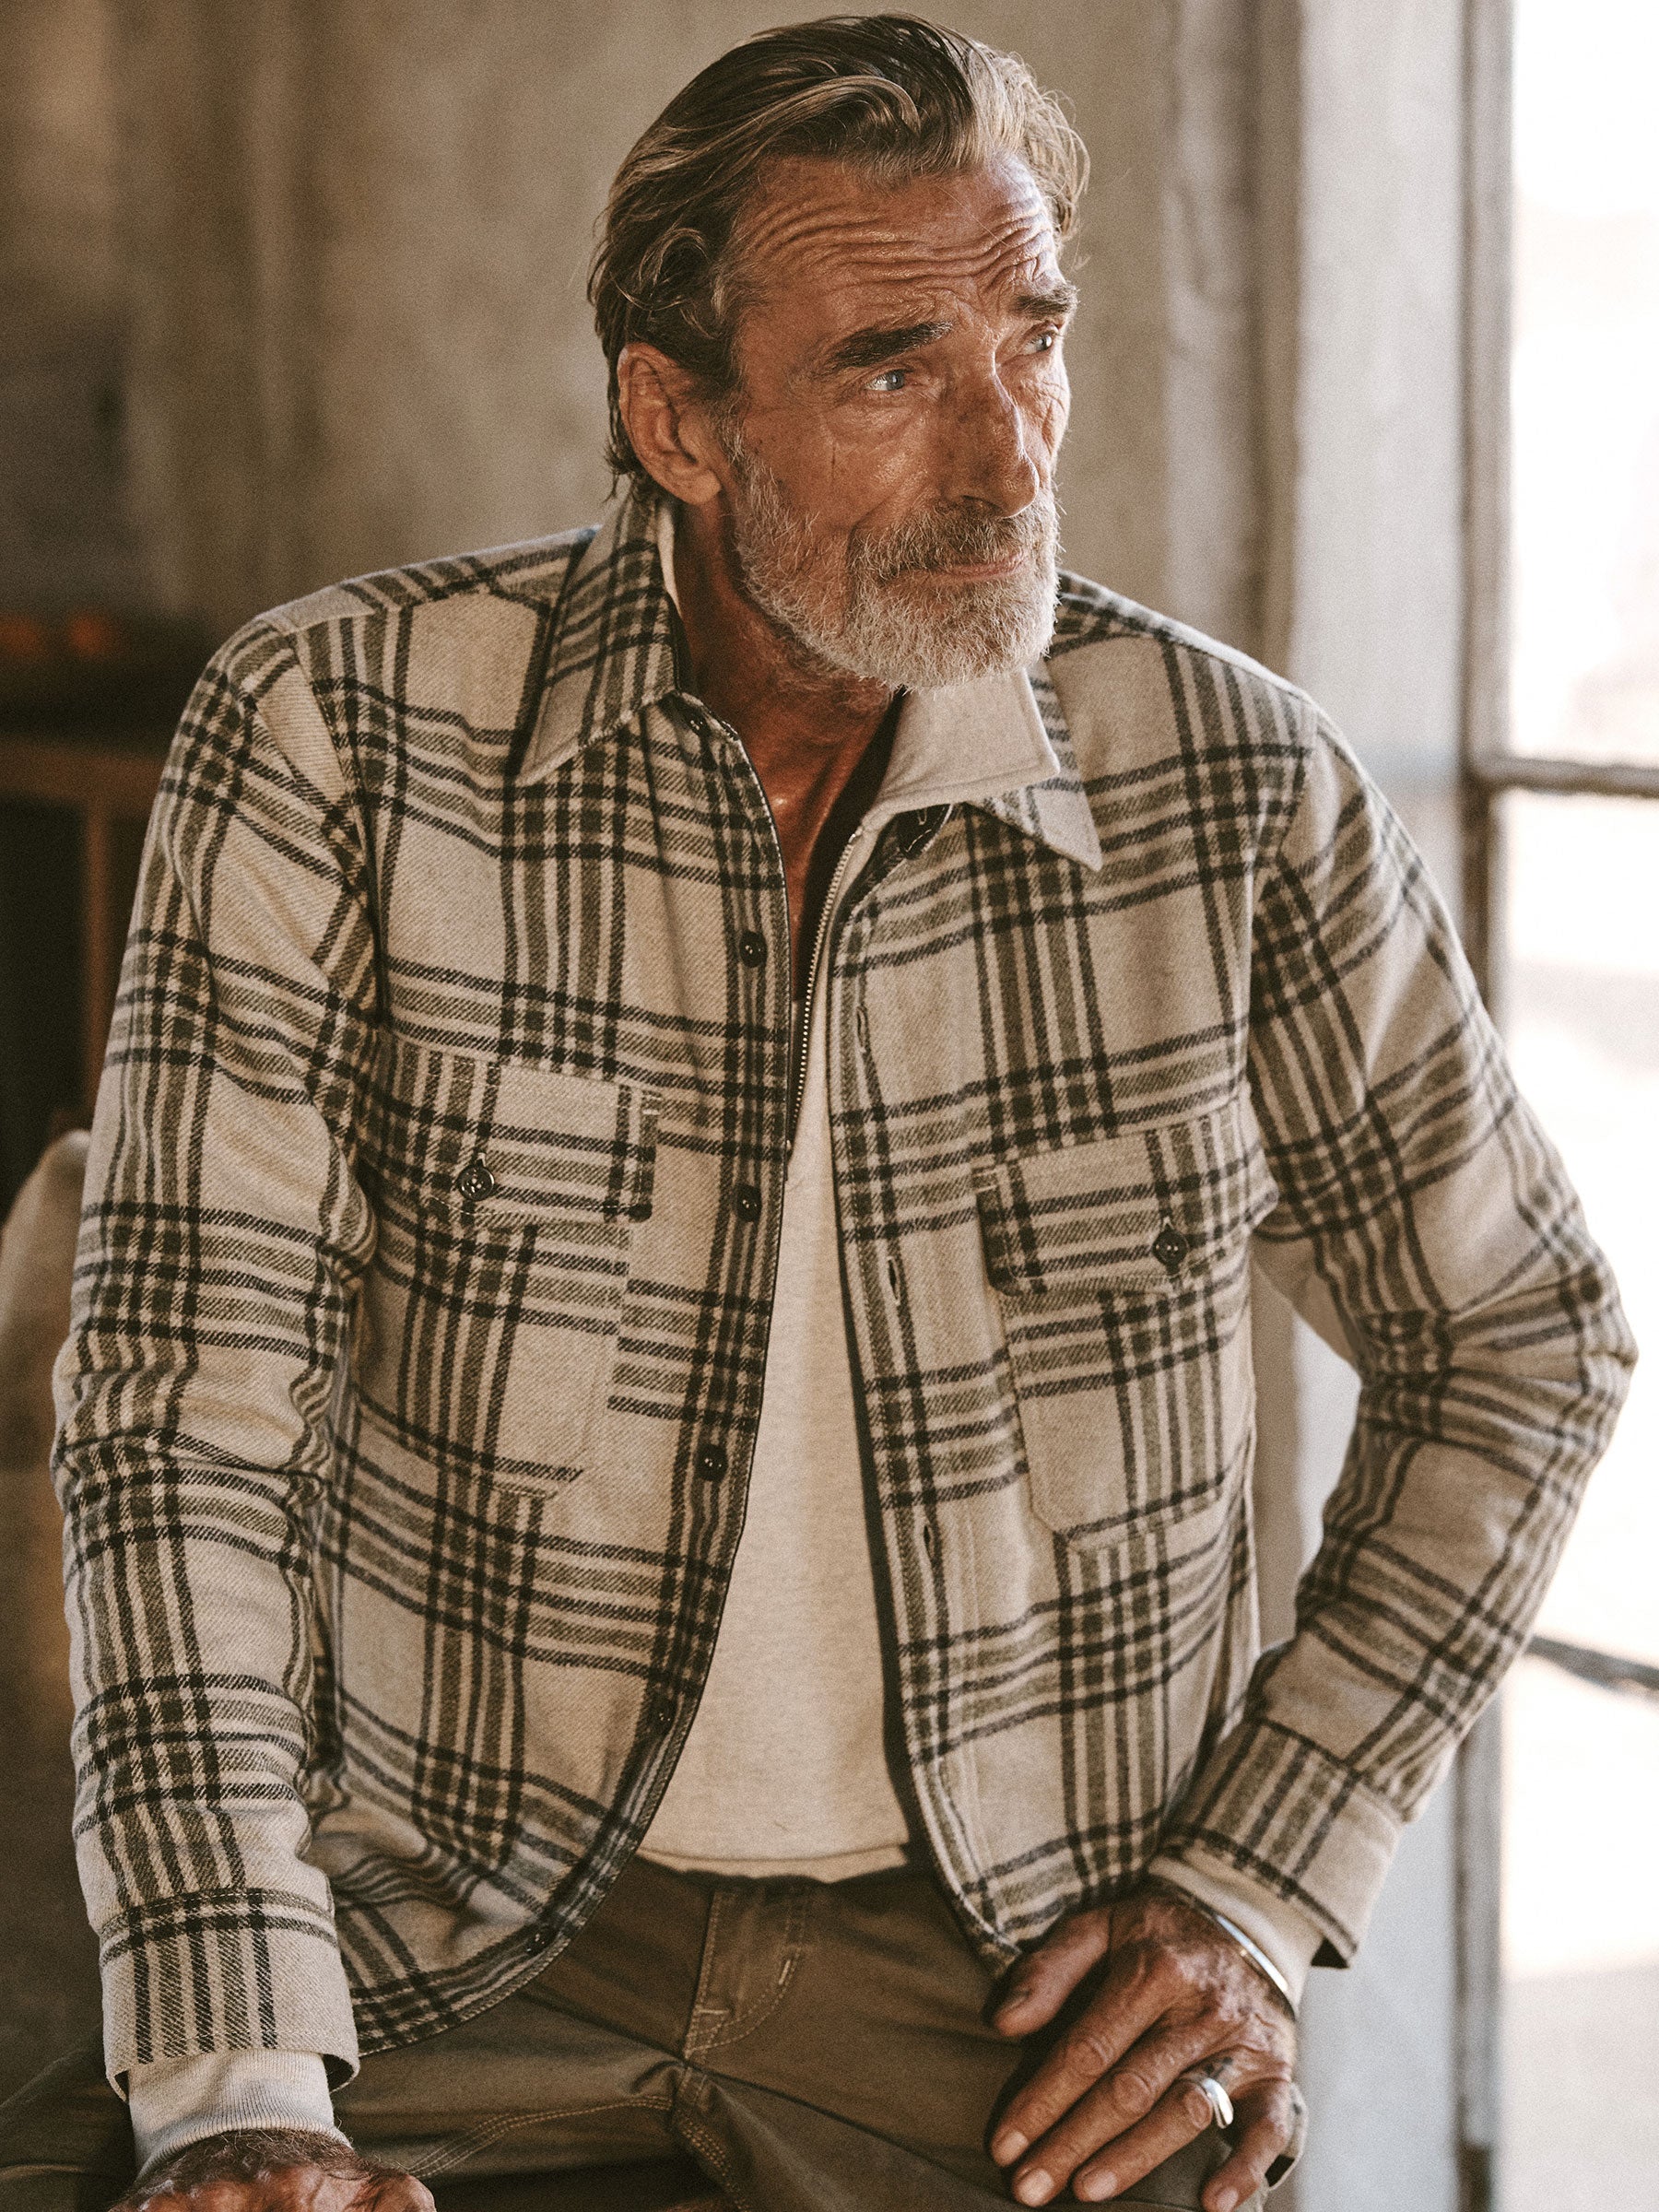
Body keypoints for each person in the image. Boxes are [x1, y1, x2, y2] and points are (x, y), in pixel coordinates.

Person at [9, 16, 1632, 2212]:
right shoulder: (334, 740)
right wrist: (239, 2086)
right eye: (893, 370)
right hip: (440, 1934)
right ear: (677, 421)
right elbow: (185, 1422)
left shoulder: (1235, 791)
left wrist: (1257, 1883)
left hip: (1007, 1979)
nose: (1010, 454)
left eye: (1032, 339)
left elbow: (1520, 1337)